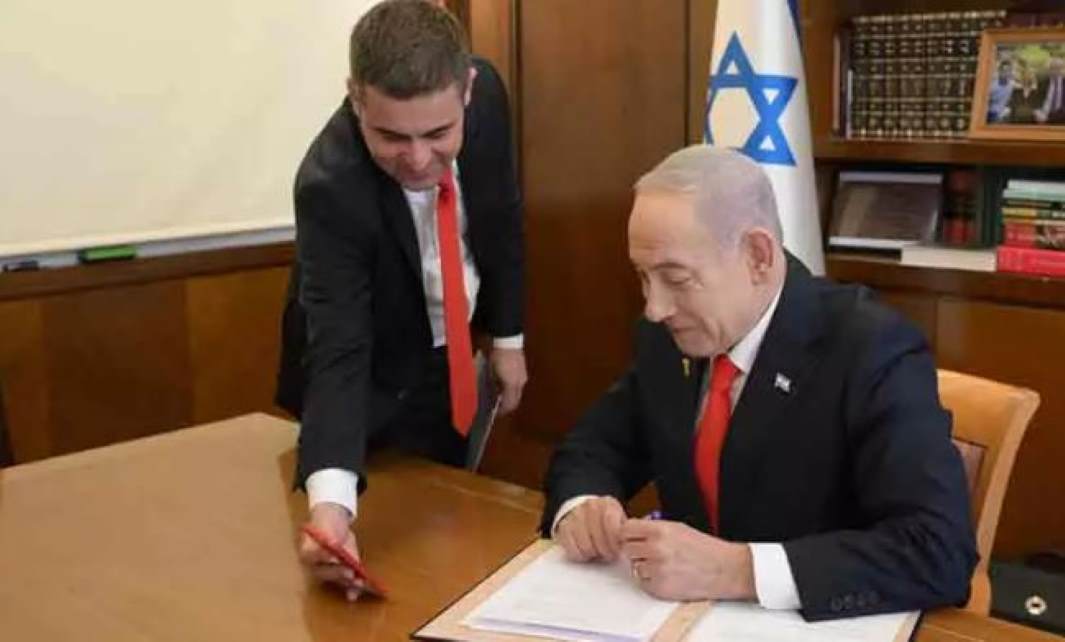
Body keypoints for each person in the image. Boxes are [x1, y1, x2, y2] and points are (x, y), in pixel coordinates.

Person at [542, 146, 976, 621]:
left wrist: (738, 570)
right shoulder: (668, 335)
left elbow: (938, 550)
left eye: (676, 278)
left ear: (758, 256)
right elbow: (592, 449)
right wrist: (583, 507)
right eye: (644, 277)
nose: (655, 307)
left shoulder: (870, 348)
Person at [276, 0, 526, 601]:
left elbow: (499, 214)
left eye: (438, 135)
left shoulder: (488, 97)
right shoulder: (329, 184)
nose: (417, 160)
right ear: (355, 98)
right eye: (390, 136)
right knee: (398, 546)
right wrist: (331, 511)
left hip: (453, 356)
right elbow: (339, 350)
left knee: (452, 533)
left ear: (467, 91)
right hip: (367, 376)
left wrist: (508, 337)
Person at [1035, 57, 1065, 124]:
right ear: (1049, 69)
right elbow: (1037, 100)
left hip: (1060, 116)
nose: (1056, 71)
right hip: (1043, 115)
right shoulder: (1043, 82)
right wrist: (1037, 112)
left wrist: (1049, 117)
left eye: (1059, 68)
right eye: (1053, 68)